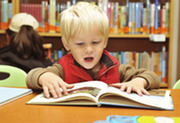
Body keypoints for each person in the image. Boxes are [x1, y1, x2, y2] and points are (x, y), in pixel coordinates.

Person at [26, 2, 160, 99]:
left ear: (105, 42)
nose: (89, 50)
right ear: (67, 44)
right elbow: (31, 76)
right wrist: (45, 77)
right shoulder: (62, 68)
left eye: (95, 42)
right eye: (80, 44)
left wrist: (139, 81)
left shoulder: (115, 67)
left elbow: (152, 77)